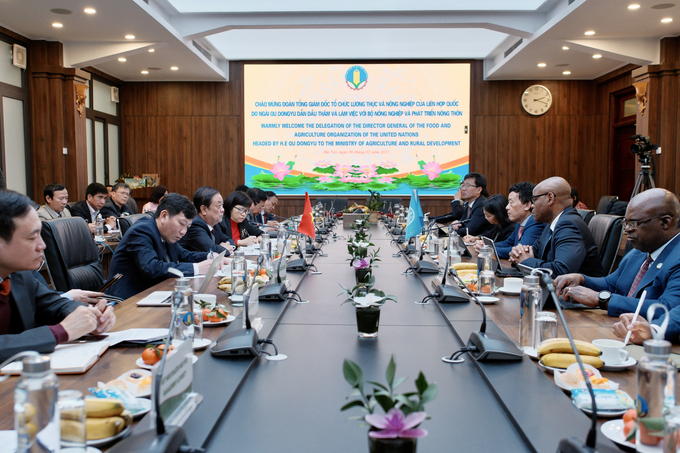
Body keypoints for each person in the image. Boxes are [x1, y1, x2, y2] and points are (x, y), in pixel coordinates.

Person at [0, 190, 115, 362]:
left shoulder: (19, 275)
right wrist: (61, 331)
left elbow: (53, 303)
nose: (42, 245)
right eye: (32, 238)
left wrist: (88, 316)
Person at [555, 188, 680, 317]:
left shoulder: (676, 259)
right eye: (626, 223)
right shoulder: (640, 250)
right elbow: (612, 283)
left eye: (634, 223)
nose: (626, 229)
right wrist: (581, 279)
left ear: (665, 222)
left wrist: (601, 300)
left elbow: (667, 308)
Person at [106, 193, 227, 300]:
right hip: (129, 301)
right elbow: (151, 267)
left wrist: (210, 256)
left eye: (187, 227)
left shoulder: (166, 233)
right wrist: (197, 268)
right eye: (181, 224)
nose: (183, 232)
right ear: (164, 216)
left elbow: (185, 255)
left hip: (154, 294)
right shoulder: (141, 231)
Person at [509, 176, 604, 277]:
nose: (532, 205)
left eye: (535, 200)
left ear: (550, 198)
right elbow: (532, 251)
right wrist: (518, 253)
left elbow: (561, 270)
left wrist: (526, 261)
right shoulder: (552, 224)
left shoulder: (569, 225)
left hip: (578, 291)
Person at [474, 181, 545, 259]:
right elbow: (508, 243)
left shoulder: (535, 223)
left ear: (527, 205)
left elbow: (520, 252)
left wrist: (487, 250)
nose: (507, 207)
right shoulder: (520, 223)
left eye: (511, 203)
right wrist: (486, 245)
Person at [433, 172, 492, 237]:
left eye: (468, 185)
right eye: (463, 185)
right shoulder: (468, 204)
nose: (463, 189)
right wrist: (455, 225)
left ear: (479, 190)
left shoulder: (481, 205)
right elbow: (461, 223)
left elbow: (470, 231)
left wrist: (452, 231)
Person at [180, 186, 234, 255]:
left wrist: (223, 247)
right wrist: (223, 248)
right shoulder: (195, 225)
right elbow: (211, 251)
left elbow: (230, 241)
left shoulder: (214, 224)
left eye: (222, 205)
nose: (222, 210)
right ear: (204, 210)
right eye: (218, 206)